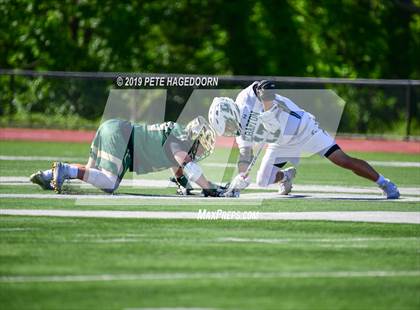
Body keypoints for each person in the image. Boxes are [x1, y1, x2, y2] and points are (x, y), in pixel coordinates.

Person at [208, 80, 400, 199]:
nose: (229, 130)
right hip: (280, 142)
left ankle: (384, 183)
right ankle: (286, 177)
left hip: (302, 128)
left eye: (227, 125)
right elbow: (245, 154)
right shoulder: (240, 132)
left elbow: (266, 85)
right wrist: (240, 178)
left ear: (229, 113)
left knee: (342, 160)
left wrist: (268, 109)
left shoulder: (244, 99)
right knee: (262, 180)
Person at [30, 116, 229, 197]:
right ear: (194, 139)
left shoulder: (177, 139)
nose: (204, 149)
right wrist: (211, 189)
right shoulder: (179, 139)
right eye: (203, 144)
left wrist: (185, 186)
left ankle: (48, 175)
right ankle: (64, 169)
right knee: (109, 183)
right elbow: (188, 167)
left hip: (115, 130)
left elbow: (178, 170)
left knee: (91, 172)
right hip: (122, 136)